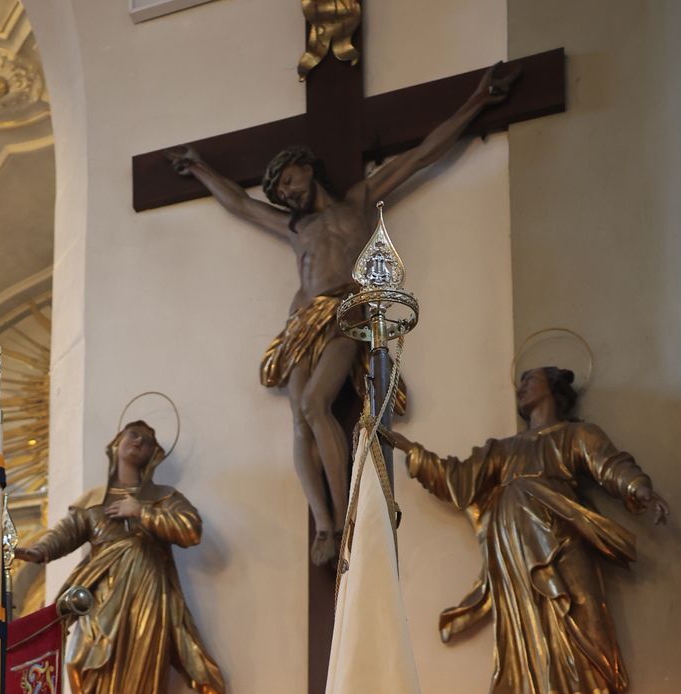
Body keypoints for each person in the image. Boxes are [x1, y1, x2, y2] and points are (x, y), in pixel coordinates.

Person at [168, 63, 516, 561]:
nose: (285, 193)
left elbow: (422, 155)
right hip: (302, 320)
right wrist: (200, 168)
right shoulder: (296, 228)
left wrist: (478, 102)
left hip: (347, 310)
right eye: (280, 191)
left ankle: (345, 510)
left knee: (315, 404)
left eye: (287, 180)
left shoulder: (358, 202)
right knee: (299, 418)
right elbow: (241, 207)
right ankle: (324, 524)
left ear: (308, 168)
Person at [388, 366, 670, 694]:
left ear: (552, 387)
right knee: (534, 628)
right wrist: (412, 453)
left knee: (584, 613)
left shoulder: (575, 435)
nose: (521, 388)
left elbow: (611, 465)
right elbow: (457, 480)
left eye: (529, 380)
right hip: (514, 543)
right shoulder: (502, 450)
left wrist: (641, 490)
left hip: (561, 532)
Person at [13, 419, 224, 694]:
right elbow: (63, 536)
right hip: (99, 592)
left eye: (147, 440)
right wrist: (34, 553)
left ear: (153, 455)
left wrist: (141, 511)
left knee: (139, 666)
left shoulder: (163, 496)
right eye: (133, 434)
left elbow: (191, 529)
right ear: (116, 443)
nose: (138, 441)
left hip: (146, 588)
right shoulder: (94, 501)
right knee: (85, 661)